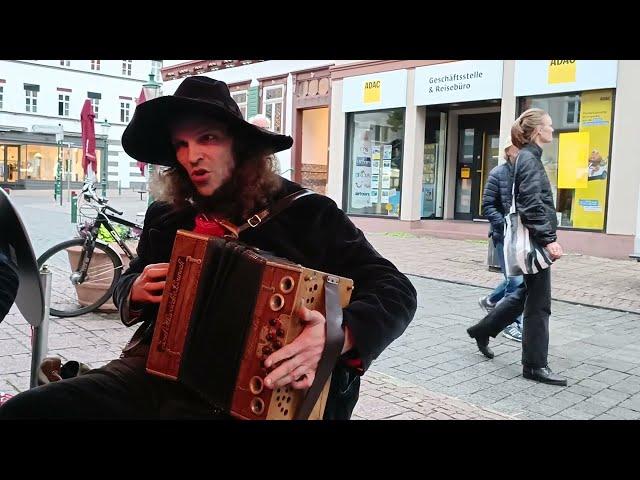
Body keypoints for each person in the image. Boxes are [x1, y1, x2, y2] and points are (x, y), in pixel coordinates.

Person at [0, 76, 417, 419]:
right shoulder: (168, 215)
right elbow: (132, 281)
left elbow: (395, 289)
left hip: (261, 393)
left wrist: (334, 336)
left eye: (207, 138)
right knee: (28, 410)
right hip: (157, 372)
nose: (192, 156)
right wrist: (133, 289)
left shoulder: (310, 214)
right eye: (180, 145)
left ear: (240, 145)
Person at [466, 108, 567, 386]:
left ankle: (482, 330)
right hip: (535, 240)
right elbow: (531, 204)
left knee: (524, 293)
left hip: (532, 238)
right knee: (539, 305)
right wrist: (549, 239)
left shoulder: (526, 157)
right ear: (536, 131)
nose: (552, 130)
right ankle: (534, 365)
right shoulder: (529, 159)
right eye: (548, 125)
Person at [478, 138, 524, 342]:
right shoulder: (498, 174)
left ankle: (489, 301)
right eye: (516, 150)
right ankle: (512, 324)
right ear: (508, 151)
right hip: (503, 236)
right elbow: (488, 205)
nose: (519, 153)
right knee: (515, 280)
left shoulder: (526, 173)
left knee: (514, 279)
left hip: (523, 237)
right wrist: (504, 225)